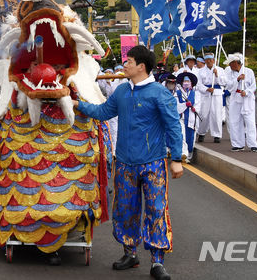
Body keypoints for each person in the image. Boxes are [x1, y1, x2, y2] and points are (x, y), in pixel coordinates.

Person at [73, 45, 183, 280]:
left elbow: (174, 126)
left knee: (155, 210)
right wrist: (78, 104)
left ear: (141, 66)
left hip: (153, 163)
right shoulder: (122, 91)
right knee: (125, 210)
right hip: (124, 163)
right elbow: (103, 112)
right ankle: (130, 253)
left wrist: (176, 159)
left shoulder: (159, 93)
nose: (125, 65)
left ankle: (157, 262)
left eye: (129, 61)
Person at [224, 53, 257, 152]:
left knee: (249, 121)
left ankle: (253, 144)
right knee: (234, 121)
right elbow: (228, 86)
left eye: (231, 64)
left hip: (247, 98)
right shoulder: (229, 73)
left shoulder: (249, 71)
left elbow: (253, 86)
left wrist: (247, 92)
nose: (229, 66)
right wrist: (237, 79)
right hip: (235, 97)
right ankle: (237, 144)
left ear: (236, 63)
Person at [196, 53, 224, 144]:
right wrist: (206, 89)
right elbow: (198, 84)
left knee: (216, 114)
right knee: (204, 114)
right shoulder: (200, 71)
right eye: (207, 60)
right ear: (205, 61)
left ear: (214, 60)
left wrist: (217, 75)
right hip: (206, 94)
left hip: (216, 93)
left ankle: (217, 135)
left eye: (211, 60)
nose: (209, 61)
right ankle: (201, 132)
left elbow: (224, 82)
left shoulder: (220, 70)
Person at [175, 72, 200, 162]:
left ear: (191, 83)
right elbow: (177, 106)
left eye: (188, 81)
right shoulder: (178, 93)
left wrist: (195, 109)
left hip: (191, 118)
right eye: (184, 81)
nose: (186, 83)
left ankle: (189, 155)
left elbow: (198, 105)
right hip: (181, 117)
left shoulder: (196, 93)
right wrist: (185, 105)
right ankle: (183, 153)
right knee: (182, 135)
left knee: (190, 137)